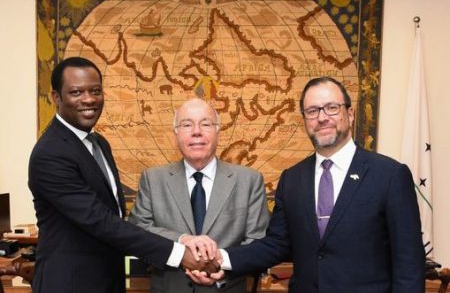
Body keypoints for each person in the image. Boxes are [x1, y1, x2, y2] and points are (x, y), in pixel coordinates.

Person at [193, 76, 425, 292]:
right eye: (312, 111)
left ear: (350, 114)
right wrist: (221, 259)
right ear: (304, 119)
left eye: (332, 108)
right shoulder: (292, 179)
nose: (322, 117)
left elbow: (409, 261)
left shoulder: (390, 175)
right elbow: (277, 245)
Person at [28, 57, 216, 293]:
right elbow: (101, 221)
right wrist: (180, 254)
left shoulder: (98, 143)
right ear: (57, 98)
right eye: (76, 92)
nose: (88, 99)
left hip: (108, 280)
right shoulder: (51, 153)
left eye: (95, 91)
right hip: (71, 283)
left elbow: (113, 214)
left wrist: (182, 240)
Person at [128, 98, 270, 292]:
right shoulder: (153, 179)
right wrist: (183, 240)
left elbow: (258, 240)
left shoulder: (249, 180)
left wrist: (222, 266)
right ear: (176, 133)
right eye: (187, 124)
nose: (196, 131)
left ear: (218, 131)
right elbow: (139, 230)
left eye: (206, 124)